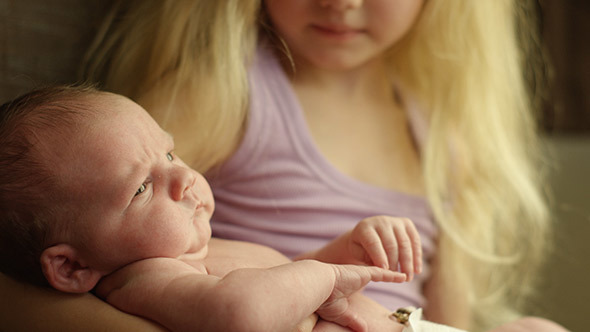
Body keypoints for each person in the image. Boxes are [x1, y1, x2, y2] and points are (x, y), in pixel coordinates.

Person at [0, 1, 569, 332]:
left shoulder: (440, 131)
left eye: (173, 158)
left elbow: (449, 315)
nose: (340, 1)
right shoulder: (224, 90)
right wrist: (335, 275)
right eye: (153, 179)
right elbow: (85, 201)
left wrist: (344, 255)